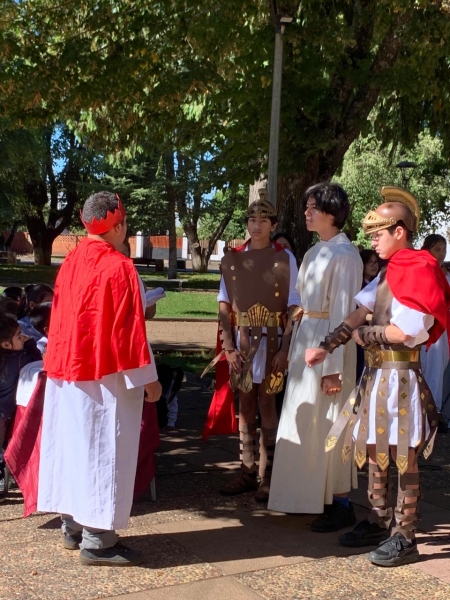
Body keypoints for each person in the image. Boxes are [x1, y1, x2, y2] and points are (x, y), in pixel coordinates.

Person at [305, 186, 450, 567]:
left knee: (404, 456)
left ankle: (405, 535)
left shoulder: (421, 269)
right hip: (376, 375)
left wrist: (364, 334)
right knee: (375, 451)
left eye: (378, 234)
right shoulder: (391, 272)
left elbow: (405, 332)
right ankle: (378, 520)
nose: (374, 241)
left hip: (401, 377)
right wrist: (327, 344)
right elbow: (359, 311)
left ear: (400, 231)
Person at [37, 191, 162, 567]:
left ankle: (72, 526)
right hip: (105, 376)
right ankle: (99, 539)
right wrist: (148, 379)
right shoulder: (119, 266)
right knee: (104, 451)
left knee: (74, 448)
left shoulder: (70, 261)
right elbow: (128, 332)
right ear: (118, 224)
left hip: (66, 369)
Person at [268, 182, 362, 531]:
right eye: (306, 207)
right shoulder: (314, 251)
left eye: (312, 207)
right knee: (301, 419)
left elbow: (342, 312)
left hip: (328, 346)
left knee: (332, 420)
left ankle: (340, 501)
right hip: (305, 339)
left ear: (332, 212)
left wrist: (332, 366)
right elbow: (301, 303)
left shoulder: (346, 256)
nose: (306, 212)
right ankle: (304, 494)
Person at [205, 196, 300, 502]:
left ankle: (268, 475)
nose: (256, 225)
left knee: (267, 402)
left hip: (273, 339)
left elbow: (294, 305)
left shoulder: (285, 258)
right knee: (245, 402)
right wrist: (229, 346)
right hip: (243, 341)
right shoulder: (232, 259)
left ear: (273, 225)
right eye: (251, 220)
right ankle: (247, 470)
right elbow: (223, 304)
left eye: (263, 220)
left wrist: (285, 348)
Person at [0, 313, 42, 499]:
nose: (23, 337)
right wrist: (31, 344)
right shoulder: (18, 359)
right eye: (19, 336)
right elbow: (36, 359)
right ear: (6, 344)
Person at [420, 234, 450, 432]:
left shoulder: (445, 275)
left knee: (438, 371)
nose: (441, 254)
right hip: (424, 329)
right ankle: (422, 413)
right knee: (424, 367)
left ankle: (434, 413)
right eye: (437, 249)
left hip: (442, 330)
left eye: (443, 250)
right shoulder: (422, 271)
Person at [356, 250, 381, 381]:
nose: (374, 265)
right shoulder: (358, 286)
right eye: (369, 262)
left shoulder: (379, 284)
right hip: (360, 336)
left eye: (376, 262)